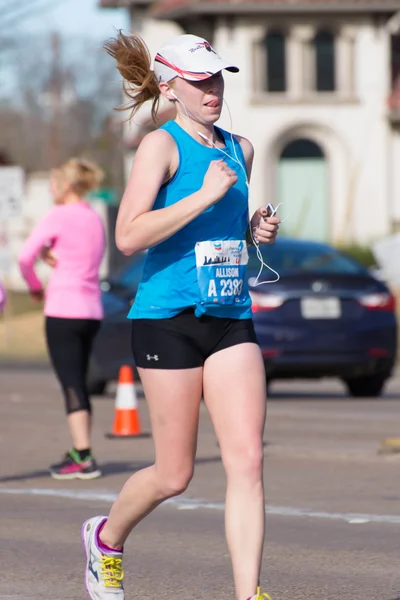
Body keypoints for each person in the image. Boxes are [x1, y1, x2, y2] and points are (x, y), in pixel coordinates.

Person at [81, 32, 280, 600]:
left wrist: (255, 229)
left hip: (230, 315)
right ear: (171, 87)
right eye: (199, 81)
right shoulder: (159, 147)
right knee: (175, 475)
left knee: (247, 460)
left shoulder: (239, 149)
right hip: (166, 318)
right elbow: (127, 236)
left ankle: (249, 594)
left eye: (217, 78)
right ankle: (107, 538)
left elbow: (225, 232)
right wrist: (201, 198)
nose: (212, 90)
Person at [18, 158, 106, 480]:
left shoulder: (58, 215)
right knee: (79, 381)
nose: (52, 190)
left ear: (66, 186)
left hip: (63, 309)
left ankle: (83, 456)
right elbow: (84, 261)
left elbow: (24, 256)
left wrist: (35, 286)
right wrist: (56, 261)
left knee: (71, 384)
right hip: (92, 311)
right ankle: (79, 450)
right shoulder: (94, 218)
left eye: (54, 184)